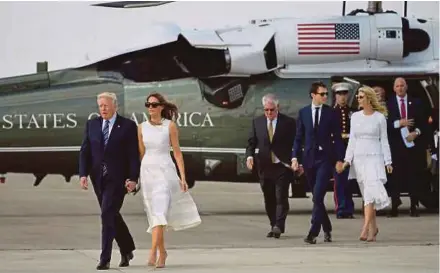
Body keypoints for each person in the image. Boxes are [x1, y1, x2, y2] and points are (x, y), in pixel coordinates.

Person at [138, 92, 201, 268]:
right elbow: (142, 153)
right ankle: (162, 252)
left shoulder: (170, 126)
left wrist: (183, 177)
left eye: (154, 105)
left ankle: (152, 252)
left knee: (160, 211)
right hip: (148, 172)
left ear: (162, 107)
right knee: (155, 214)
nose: (151, 108)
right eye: (148, 105)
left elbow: (177, 153)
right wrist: (137, 177)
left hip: (166, 171)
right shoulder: (141, 127)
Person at [79, 92, 140, 270]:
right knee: (112, 214)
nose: (103, 109)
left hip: (118, 179)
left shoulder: (127, 126)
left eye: (106, 105)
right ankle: (127, 248)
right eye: (100, 106)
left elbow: (132, 155)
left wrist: (133, 178)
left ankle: (105, 258)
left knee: (107, 214)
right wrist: (83, 174)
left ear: (115, 106)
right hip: (98, 177)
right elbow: (85, 151)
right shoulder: (92, 124)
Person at [291, 81, 345, 244]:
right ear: (313, 95)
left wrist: (339, 159)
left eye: (326, 94)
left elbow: (337, 138)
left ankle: (313, 232)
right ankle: (327, 228)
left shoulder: (331, 113)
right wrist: (295, 158)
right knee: (317, 198)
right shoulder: (304, 113)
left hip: (325, 159)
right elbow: (298, 137)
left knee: (319, 193)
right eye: (322, 94)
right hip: (309, 159)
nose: (325, 97)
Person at [338, 86, 393, 242]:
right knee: (367, 195)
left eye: (361, 97)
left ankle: (364, 228)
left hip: (375, 157)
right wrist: (347, 160)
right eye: (358, 97)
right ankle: (373, 229)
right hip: (359, 159)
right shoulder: (355, 117)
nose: (358, 99)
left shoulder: (379, 118)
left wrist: (388, 161)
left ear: (369, 98)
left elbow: (384, 141)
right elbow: (352, 140)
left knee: (370, 194)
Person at [246, 93, 296, 239]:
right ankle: (273, 224)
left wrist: (295, 159)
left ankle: (279, 226)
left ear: (277, 108)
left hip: (282, 166)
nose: (269, 113)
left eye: (272, 110)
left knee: (281, 197)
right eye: (266, 110)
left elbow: (296, 143)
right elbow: (251, 143)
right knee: (269, 198)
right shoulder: (257, 122)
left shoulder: (289, 123)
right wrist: (249, 156)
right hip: (265, 166)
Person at [386, 77, 429, 217]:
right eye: (397, 86)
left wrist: (416, 133)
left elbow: (423, 124)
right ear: (394, 88)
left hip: (412, 146)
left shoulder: (416, 102)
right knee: (395, 177)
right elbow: (385, 126)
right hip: (396, 146)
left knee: (413, 176)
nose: (400, 88)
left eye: (402, 85)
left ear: (406, 87)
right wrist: (400, 123)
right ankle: (394, 206)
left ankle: (413, 206)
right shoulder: (389, 104)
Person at [332, 82, 356, 219]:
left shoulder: (353, 112)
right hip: (338, 149)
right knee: (339, 181)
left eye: (344, 94)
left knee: (350, 180)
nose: (342, 97)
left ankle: (349, 208)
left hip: (350, 148)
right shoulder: (330, 112)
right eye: (339, 94)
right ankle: (341, 208)